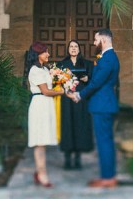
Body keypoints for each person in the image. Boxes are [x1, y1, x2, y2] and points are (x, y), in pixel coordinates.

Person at [66, 28, 120, 188]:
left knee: (104, 142)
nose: (94, 43)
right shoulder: (107, 57)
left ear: (103, 41)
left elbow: (97, 83)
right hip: (103, 104)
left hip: (102, 105)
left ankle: (107, 178)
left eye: (96, 40)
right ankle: (108, 176)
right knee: (105, 141)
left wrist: (79, 95)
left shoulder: (108, 59)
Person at [25, 41, 64, 188]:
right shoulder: (34, 70)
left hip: (47, 105)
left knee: (44, 141)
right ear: (38, 55)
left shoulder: (45, 69)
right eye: (45, 52)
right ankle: (42, 174)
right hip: (40, 105)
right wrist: (61, 92)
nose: (48, 54)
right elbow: (46, 91)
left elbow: (52, 86)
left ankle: (39, 171)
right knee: (39, 142)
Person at [58, 39, 94, 170]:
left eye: (76, 46)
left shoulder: (88, 64)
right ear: (68, 50)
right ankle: (67, 159)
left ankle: (78, 158)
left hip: (81, 98)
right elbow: (57, 82)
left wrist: (87, 78)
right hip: (67, 98)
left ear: (79, 49)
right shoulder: (61, 64)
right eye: (71, 46)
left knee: (80, 125)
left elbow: (95, 80)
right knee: (67, 125)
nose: (73, 48)